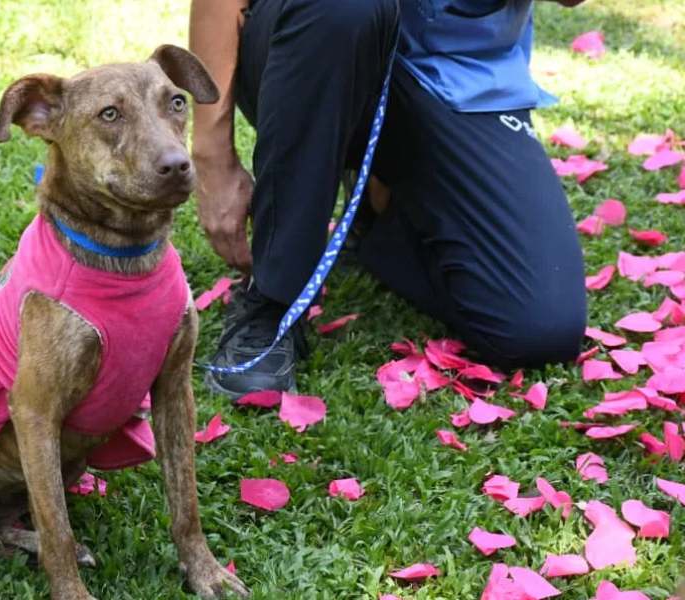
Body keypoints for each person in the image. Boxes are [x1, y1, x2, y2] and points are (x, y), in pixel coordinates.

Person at [190, 0, 589, 397]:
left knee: (539, 328)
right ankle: (272, 301)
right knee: (347, 9)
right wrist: (213, 159)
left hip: (462, 75)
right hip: (313, 39)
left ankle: (379, 212)